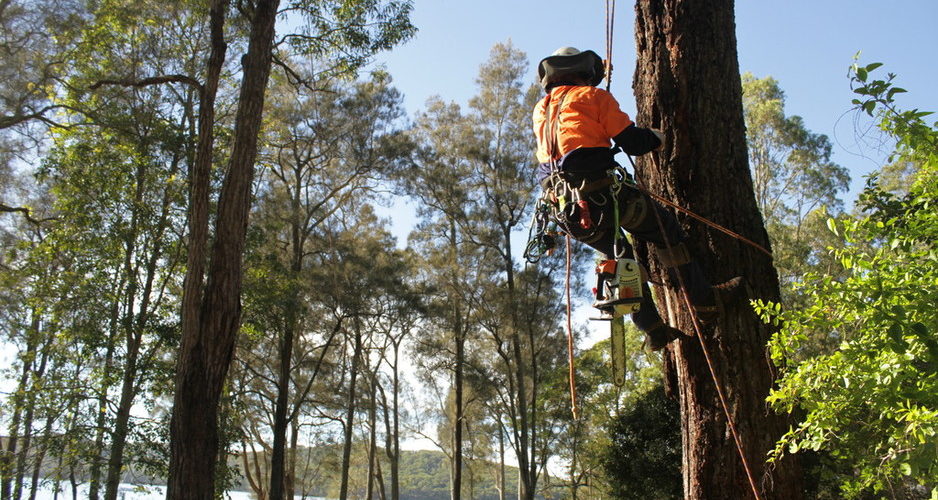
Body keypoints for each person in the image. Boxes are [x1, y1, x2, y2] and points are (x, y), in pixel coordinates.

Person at [532, 46, 735, 350]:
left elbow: (574, 130)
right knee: (665, 232)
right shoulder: (593, 97)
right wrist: (657, 137)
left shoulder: (542, 109)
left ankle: (653, 329)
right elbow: (633, 142)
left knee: (622, 261)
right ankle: (705, 301)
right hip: (604, 197)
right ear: (583, 72)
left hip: (568, 211)